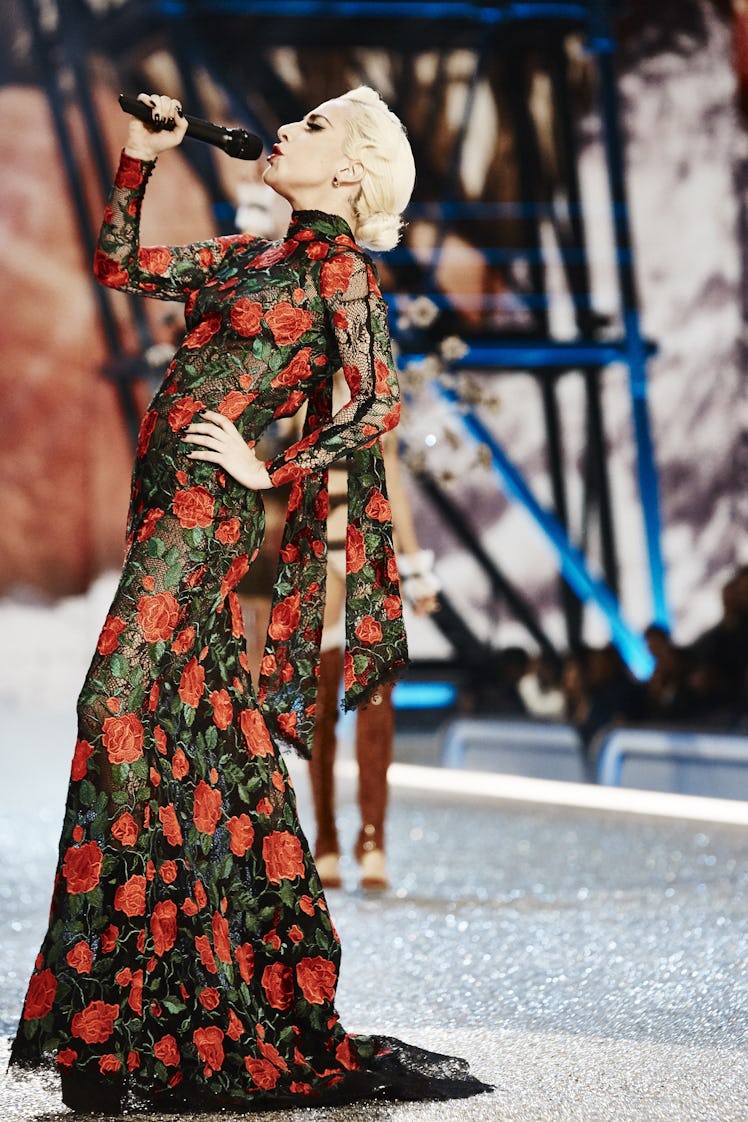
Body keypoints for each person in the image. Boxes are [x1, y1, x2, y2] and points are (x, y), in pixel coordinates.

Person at [8, 88, 491, 1112]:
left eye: (316, 127)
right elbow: (118, 268)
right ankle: (154, 1019)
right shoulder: (243, 256)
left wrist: (275, 469)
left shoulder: (343, 275)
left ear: (351, 173)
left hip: (204, 519)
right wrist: (139, 160)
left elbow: (380, 406)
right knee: (202, 742)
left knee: (116, 710)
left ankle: (125, 1009)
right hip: (161, 511)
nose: (289, 129)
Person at [310, 425, 440, 891]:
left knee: (376, 709)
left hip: (369, 550)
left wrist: (414, 566)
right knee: (320, 712)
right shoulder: (302, 381)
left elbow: (392, 483)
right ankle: (325, 841)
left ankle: (373, 844)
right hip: (315, 549)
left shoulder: (379, 383)